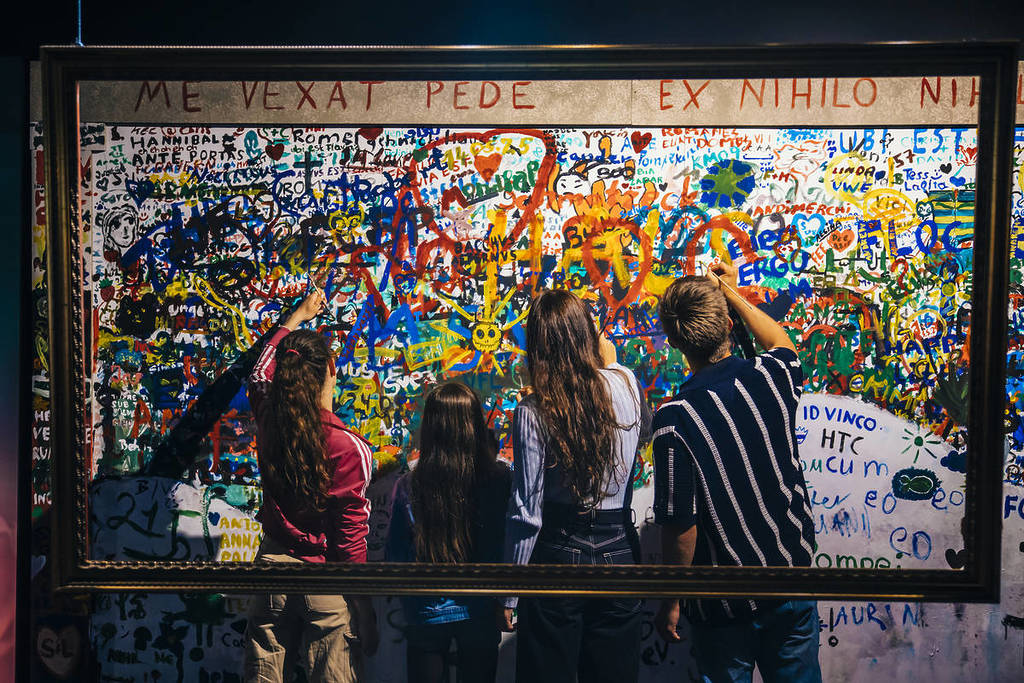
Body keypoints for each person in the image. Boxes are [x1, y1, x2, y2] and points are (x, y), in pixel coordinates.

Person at [652, 263, 820, 683]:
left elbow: (681, 528)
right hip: (790, 580)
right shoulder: (772, 376)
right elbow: (779, 339)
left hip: (723, 603)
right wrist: (729, 290)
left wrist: (672, 598)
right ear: (727, 323)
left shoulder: (676, 420)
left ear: (675, 343)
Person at [499, 289, 651, 683]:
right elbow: (633, 412)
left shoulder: (534, 409)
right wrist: (602, 349)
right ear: (588, 335)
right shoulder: (628, 384)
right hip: (619, 553)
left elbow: (526, 512)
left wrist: (511, 592)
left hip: (556, 558)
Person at [244, 288, 379, 683]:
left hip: (272, 567)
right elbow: (351, 540)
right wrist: (364, 608)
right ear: (332, 370)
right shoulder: (346, 447)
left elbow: (258, 372)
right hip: (325, 580)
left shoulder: (270, 416)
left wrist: (294, 320)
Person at [386, 381, 511, 683]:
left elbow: (396, 555)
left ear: (431, 427)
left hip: (425, 610)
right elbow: (505, 543)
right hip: (482, 608)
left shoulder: (409, 484)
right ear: (475, 426)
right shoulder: (500, 479)